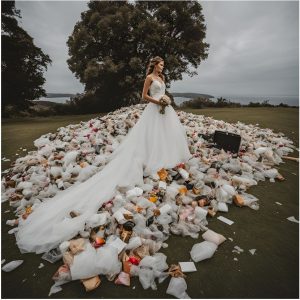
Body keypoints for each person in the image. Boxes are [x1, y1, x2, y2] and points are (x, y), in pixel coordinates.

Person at [15, 56, 193, 254]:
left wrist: (165, 101)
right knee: (148, 137)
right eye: (160, 64)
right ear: (154, 65)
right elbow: (143, 96)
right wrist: (158, 101)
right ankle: (150, 159)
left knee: (164, 136)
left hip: (164, 111)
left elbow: (163, 92)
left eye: (163, 65)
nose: (162, 67)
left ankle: (164, 158)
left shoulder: (162, 78)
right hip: (153, 110)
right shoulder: (149, 78)